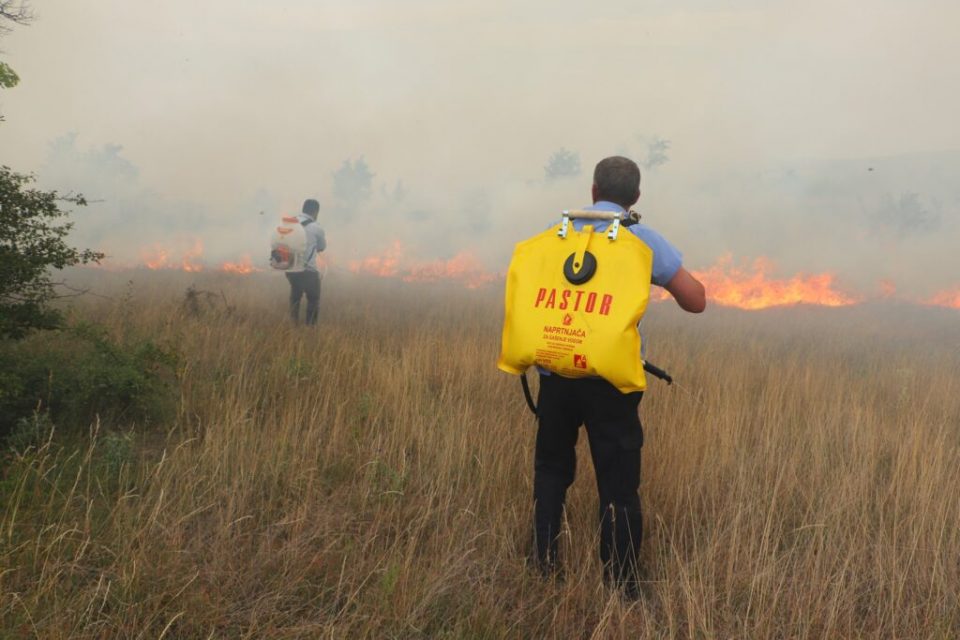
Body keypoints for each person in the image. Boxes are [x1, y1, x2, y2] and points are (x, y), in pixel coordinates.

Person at [532, 156, 705, 595]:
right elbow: (695, 300)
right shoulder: (641, 238)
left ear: (592, 191)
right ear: (636, 199)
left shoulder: (559, 231)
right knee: (618, 481)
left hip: (556, 369)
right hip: (611, 380)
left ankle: (543, 563)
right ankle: (622, 582)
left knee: (552, 468)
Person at [286, 198, 326, 325]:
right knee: (313, 299)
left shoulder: (290, 222)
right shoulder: (316, 227)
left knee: (295, 297)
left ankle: (294, 325)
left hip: (291, 269)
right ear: (315, 212)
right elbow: (321, 247)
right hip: (308, 270)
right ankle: (310, 329)